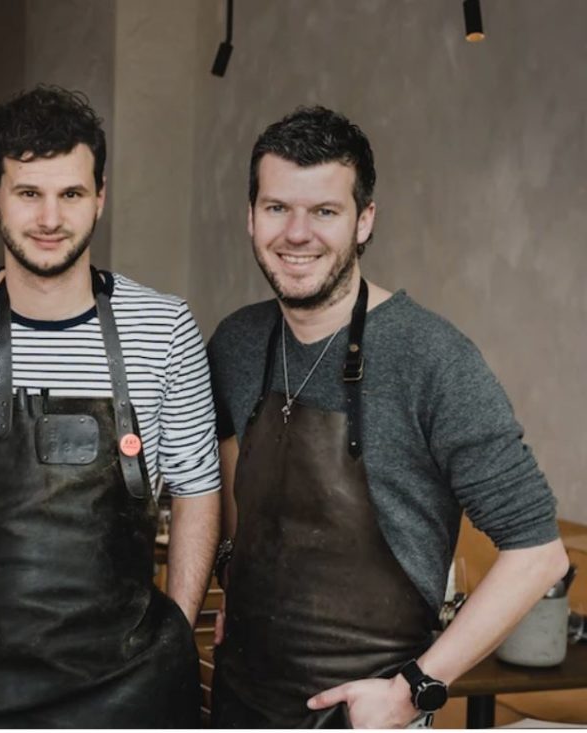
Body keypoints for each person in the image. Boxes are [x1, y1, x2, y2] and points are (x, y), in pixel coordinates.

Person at [206, 105, 570, 728]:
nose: (297, 234)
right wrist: (233, 576)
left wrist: (414, 689)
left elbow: (539, 554)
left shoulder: (431, 357)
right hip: (239, 698)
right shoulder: (237, 342)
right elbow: (233, 472)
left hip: (366, 716)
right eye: (277, 208)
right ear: (250, 215)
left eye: (325, 211)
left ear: (364, 220)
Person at [0, 85, 221, 727]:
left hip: (125, 680)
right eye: (28, 193)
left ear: (101, 198)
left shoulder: (164, 327)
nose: (50, 218)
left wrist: (173, 629)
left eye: (71, 194)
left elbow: (199, 490)